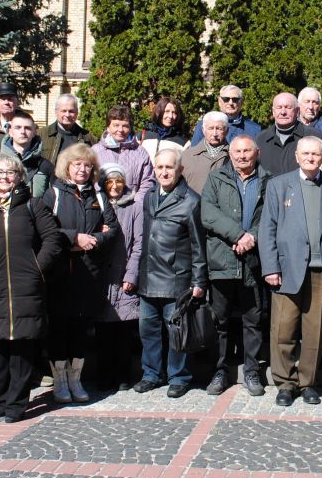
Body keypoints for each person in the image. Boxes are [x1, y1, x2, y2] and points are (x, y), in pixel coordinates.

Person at [0, 153, 66, 422]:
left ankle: (16, 403)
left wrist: (37, 267)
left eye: (11, 172)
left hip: (26, 286)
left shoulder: (32, 204)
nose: (5, 177)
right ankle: (1, 399)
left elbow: (52, 238)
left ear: (19, 176)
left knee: (22, 348)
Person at [259, 136, 322, 407]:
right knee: (283, 330)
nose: (310, 158)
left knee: (315, 331)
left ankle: (307, 382)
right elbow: (267, 228)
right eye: (305, 153)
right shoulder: (279, 185)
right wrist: (270, 267)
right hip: (287, 269)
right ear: (296, 156)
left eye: (315, 154)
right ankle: (285, 383)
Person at [43, 143, 117, 403]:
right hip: (62, 274)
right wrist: (75, 238)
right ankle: (60, 381)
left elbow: (113, 230)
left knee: (80, 330)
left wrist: (94, 240)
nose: (82, 169)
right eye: (77, 165)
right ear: (67, 167)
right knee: (59, 328)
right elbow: (45, 229)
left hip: (89, 274)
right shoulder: (54, 193)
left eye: (87, 165)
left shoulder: (98, 195)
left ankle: (76, 379)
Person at [135, 148, 208, 397]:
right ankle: (151, 374)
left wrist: (199, 281)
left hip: (176, 278)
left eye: (169, 167)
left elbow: (199, 245)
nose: (164, 172)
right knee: (148, 330)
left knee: (177, 331)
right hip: (148, 277)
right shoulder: (149, 196)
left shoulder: (191, 201)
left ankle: (179, 376)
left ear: (180, 170)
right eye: (160, 167)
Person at [200, 136, 268, 396]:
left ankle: (252, 371)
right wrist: (238, 236)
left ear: (257, 152)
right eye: (237, 151)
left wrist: (252, 237)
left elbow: (271, 217)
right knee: (220, 320)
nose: (242, 155)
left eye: (247, 151)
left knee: (253, 320)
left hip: (254, 261)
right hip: (222, 259)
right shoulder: (216, 179)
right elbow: (208, 213)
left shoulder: (268, 180)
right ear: (230, 154)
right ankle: (220, 371)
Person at [98, 163, 143, 390]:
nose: (114, 186)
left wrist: (131, 274)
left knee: (124, 330)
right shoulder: (96, 204)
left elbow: (139, 244)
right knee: (103, 331)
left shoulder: (134, 206)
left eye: (119, 181)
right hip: (102, 278)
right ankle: (104, 375)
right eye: (109, 182)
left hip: (124, 273)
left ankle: (123, 375)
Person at [92, 104, 155, 198]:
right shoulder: (95, 151)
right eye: (116, 125)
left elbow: (147, 183)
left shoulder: (140, 153)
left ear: (130, 128)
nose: (120, 130)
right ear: (108, 127)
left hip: (132, 205)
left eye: (125, 126)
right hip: (101, 205)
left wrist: (137, 204)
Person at [255, 92, 322, 175]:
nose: (283, 112)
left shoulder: (313, 136)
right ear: (273, 111)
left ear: (297, 111)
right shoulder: (261, 139)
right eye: (279, 107)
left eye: (288, 107)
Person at [2, 111, 55, 198]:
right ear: (10, 131)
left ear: (34, 132)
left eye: (27, 128)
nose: (23, 131)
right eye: (18, 127)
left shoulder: (45, 166)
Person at [190, 84, 262, 144]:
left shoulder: (254, 129)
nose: (230, 103)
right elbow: (194, 153)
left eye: (235, 99)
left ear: (242, 102)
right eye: (226, 99)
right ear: (219, 101)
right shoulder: (204, 125)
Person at [39, 93, 97, 163]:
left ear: (77, 113)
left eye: (71, 111)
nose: (67, 115)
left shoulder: (88, 137)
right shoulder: (41, 135)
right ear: (56, 112)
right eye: (64, 111)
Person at [182, 111, 230, 193]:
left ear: (227, 130)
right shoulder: (187, 156)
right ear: (203, 130)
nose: (214, 134)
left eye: (219, 128)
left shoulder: (234, 156)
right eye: (210, 128)